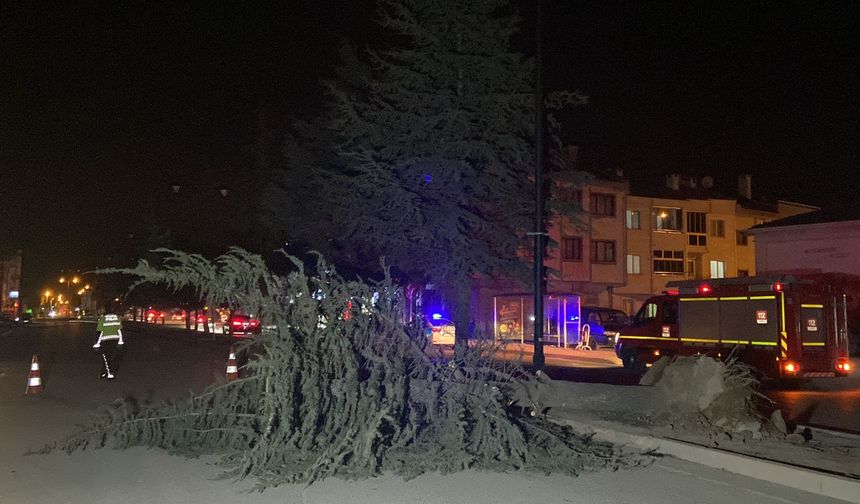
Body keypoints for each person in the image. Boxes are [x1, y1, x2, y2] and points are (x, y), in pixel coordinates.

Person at [93, 313, 124, 379]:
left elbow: (100, 332)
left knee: (106, 357)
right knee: (113, 357)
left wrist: (97, 343)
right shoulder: (117, 318)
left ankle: (107, 373)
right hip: (115, 340)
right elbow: (120, 331)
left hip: (105, 340)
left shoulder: (103, 319)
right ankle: (107, 373)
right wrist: (120, 341)